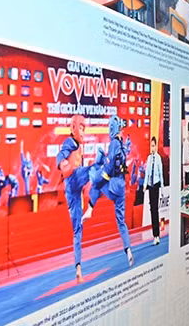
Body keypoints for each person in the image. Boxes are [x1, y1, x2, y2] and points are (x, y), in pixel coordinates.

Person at [87, 116, 134, 270]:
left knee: (95, 184)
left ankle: (89, 209)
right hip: (122, 187)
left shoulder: (114, 143)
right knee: (121, 221)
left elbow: (109, 165)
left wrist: (101, 168)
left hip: (113, 185)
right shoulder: (121, 144)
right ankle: (128, 249)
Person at [56, 115, 93, 282]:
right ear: (74, 127)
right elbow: (61, 155)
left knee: (77, 230)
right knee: (94, 169)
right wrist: (63, 164)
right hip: (72, 180)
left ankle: (78, 267)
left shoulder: (80, 147)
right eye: (81, 127)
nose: (83, 131)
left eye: (84, 128)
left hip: (72, 191)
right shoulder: (70, 142)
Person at [144, 136, 164, 245]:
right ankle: (154, 235)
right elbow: (147, 173)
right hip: (150, 186)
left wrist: (162, 186)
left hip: (156, 185)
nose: (152, 148)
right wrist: (144, 185)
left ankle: (157, 235)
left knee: (155, 209)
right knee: (152, 210)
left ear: (156, 146)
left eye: (153, 145)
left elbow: (161, 173)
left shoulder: (158, 158)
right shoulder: (148, 158)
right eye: (151, 146)